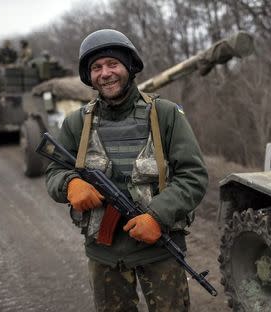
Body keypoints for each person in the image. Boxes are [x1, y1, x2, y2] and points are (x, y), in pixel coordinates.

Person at [45, 29, 208, 312]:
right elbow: (54, 171)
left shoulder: (165, 114)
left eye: (113, 64)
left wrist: (157, 216)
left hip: (160, 248)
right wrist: (70, 184)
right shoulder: (76, 124)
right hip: (105, 254)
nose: (105, 73)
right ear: (89, 76)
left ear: (129, 67)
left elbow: (193, 176)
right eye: (96, 67)